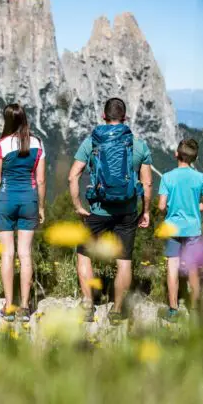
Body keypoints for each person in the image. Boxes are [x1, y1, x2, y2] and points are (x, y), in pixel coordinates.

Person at [68, 97, 153, 323]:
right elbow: (147, 184)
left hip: (98, 209)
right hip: (127, 211)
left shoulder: (92, 142)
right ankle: (116, 311)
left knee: (84, 254)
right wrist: (146, 211)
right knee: (124, 260)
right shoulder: (139, 144)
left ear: (104, 117)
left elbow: (72, 176)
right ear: (125, 118)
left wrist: (78, 206)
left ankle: (87, 305)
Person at [0, 104, 46, 323]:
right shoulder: (38, 143)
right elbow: (40, 180)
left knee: (7, 254)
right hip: (28, 200)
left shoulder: (1, 144)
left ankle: (8, 305)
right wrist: (40, 207)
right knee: (25, 254)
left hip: (5, 200)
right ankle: (24, 307)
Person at [158, 138, 203, 322]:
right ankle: (195, 310)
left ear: (176, 154)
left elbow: (161, 206)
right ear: (194, 158)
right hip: (192, 230)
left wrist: (172, 207)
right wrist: (194, 206)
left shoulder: (167, 177)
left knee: (172, 267)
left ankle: (173, 310)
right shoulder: (200, 178)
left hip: (173, 228)